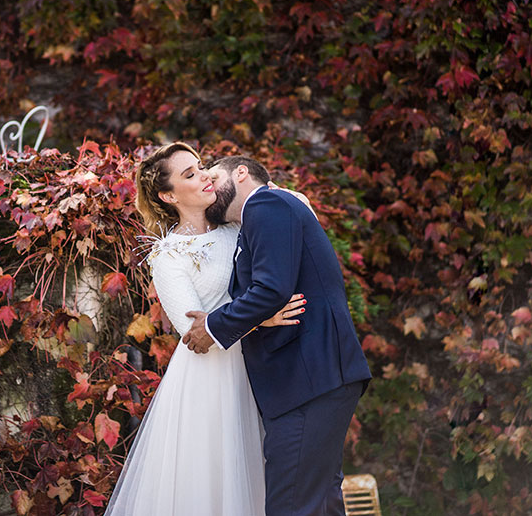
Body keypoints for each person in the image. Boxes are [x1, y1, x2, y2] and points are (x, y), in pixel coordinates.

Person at [105, 143, 307, 516]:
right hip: (208, 380)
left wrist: (278, 193)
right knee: (215, 481)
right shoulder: (169, 254)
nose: (205, 176)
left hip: (257, 366)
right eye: (190, 175)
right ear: (168, 196)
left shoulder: (239, 224)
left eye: (201, 167)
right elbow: (191, 329)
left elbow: (295, 211)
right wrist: (262, 318)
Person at [183, 155, 372, 516]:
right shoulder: (270, 212)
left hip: (308, 377)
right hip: (315, 378)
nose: (207, 184)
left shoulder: (265, 203)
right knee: (319, 503)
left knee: (292, 505)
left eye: (212, 175)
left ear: (240, 173)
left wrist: (212, 327)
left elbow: (271, 289)